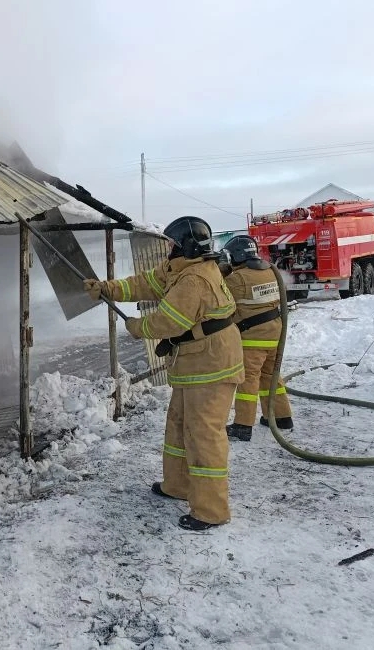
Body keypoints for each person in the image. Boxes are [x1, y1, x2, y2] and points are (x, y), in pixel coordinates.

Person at [83, 216, 243, 531]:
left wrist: (136, 326)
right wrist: (107, 288)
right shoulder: (180, 270)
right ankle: (178, 485)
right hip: (195, 364)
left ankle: (211, 510)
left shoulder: (194, 279)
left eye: (172, 244)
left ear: (185, 245)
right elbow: (145, 283)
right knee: (179, 427)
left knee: (203, 436)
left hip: (211, 366)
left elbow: (168, 322)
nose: (167, 249)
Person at [221, 235, 293, 442]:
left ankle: (243, 425)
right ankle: (282, 418)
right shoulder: (271, 271)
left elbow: (219, 296)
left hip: (253, 339)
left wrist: (223, 271)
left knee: (248, 380)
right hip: (275, 333)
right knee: (272, 376)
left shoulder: (237, 278)